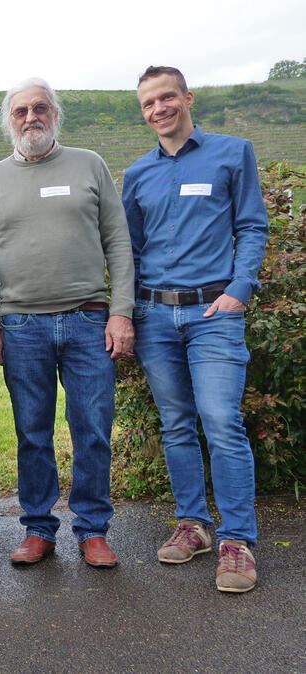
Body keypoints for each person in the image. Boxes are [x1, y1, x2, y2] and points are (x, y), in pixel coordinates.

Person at [0, 77, 135, 569]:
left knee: (93, 429)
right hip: (21, 327)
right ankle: (39, 527)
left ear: (55, 115)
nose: (30, 117)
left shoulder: (90, 165)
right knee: (32, 432)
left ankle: (92, 529)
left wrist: (121, 311)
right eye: (20, 111)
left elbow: (119, 242)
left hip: (89, 321)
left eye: (39, 108)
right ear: (9, 121)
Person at [122, 66, 269, 593]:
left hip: (214, 314)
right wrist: (129, 309)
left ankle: (237, 540)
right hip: (156, 316)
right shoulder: (137, 174)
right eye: (147, 103)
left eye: (166, 98)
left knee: (221, 420)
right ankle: (193, 525)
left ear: (187, 97)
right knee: (177, 423)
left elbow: (251, 225)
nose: (158, 109)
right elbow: (130, 250)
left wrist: (240, 289)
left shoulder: (233, 152)